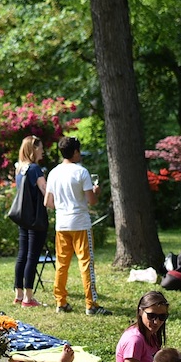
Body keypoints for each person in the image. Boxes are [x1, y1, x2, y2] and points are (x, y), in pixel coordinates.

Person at [44, 135, 106, 315]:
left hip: (62, 224)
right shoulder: (81, 172)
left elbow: (48, 202)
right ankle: (91, 304)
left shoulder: (54, 172)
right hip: (80, 223)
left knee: (62, 264)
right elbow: (92, 201)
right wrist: (96, 191)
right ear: (76, 152)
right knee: (86, 263)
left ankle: (60, 302)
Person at [13, 135, 48, 307]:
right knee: (32, 256)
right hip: (36, 218)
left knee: (22, 255)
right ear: (34, 149)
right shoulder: (35, 169)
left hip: (23, 218)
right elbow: (45, 192)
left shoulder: (19, 169)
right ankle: (28, 297)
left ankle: (18, 294)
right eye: (40, 148)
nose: (42, 151)